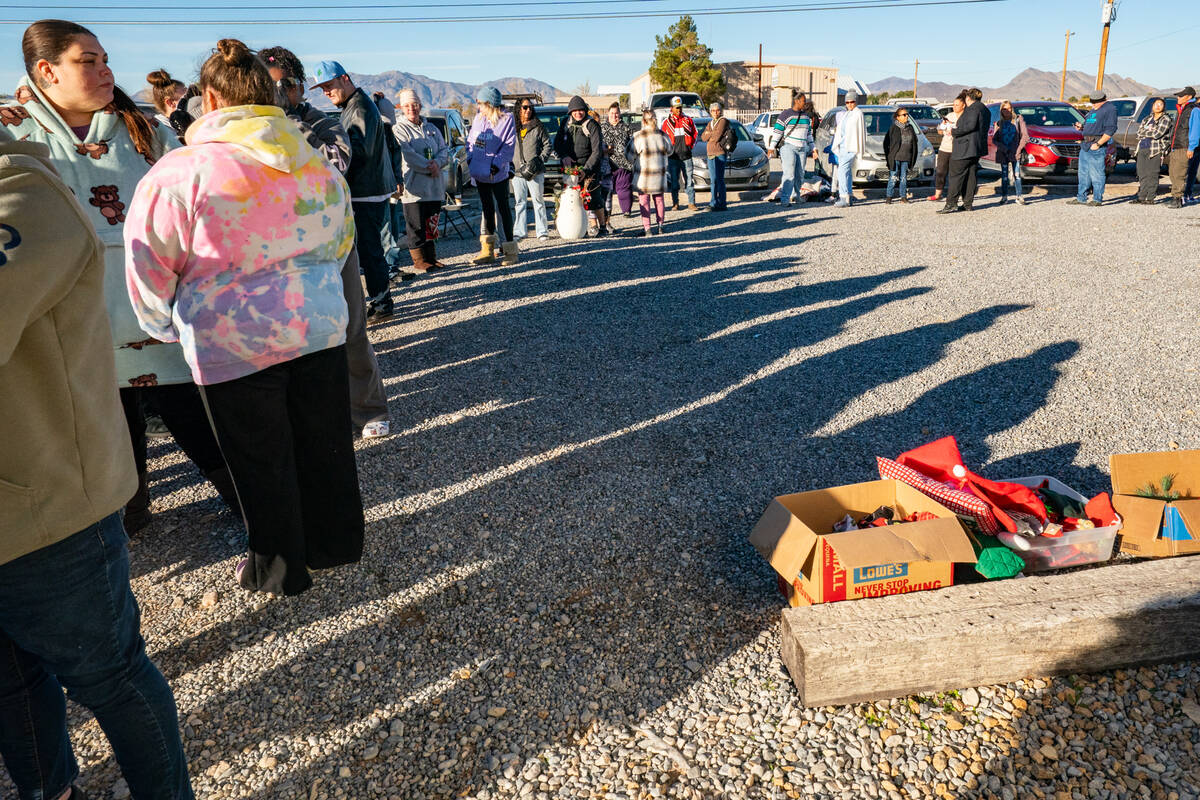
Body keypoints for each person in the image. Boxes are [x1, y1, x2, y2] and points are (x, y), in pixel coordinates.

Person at [125, 39, 364, 597]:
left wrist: (164, 325)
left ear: (209, 99)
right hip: (317, 326)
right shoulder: (313, 159)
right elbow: (341, 241)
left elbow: (148, 260)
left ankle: (280, 568)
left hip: (231, 341)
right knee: (322, 444)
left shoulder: (180, 172)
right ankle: (333, 543)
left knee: (260, 459)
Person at [0, 123, 196, 800]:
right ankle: (48, 789)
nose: (104, 72)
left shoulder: (24, 196)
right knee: (11, 682)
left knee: (109, 674)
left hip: (47, 506)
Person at [4, 19, 235, 533]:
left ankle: (254, 511)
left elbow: (195, 207)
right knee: (102, 431)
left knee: (196, 421)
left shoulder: (145, 129)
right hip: (68, 321)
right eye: (89, 61)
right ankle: (126, 518)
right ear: (47, 70)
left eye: (105, 59)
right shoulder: (9, 131)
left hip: (152, 313)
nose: (106, 70)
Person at [260, 44, 390, 439]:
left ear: (297, 87)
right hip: (276, 245)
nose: (277, 95)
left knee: (350, 327)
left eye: (282, 86)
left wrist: (288, 125)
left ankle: (368, 411)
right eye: (267, 87)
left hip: (331, 241)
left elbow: (335, 163)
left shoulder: (323, 122)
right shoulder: (251, 130)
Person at [310, 60, 398, 319]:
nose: (326, 92)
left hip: (365, 189)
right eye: (322, 89)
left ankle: (382, 304)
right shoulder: (354, 105)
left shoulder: (358, 108)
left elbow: (358, 152)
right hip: (369, 187)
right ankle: (381, 300)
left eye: (329, 85)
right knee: (370, 249)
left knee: (370, 250)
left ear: (345, 78)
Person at [392, 89, 450, 273]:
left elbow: (444, 150)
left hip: (434, 185)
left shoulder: (432, 128)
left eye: (415, 105)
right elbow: (407, 154)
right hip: (414, 186)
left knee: (431, 222)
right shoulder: (398, 129)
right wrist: (429, 166)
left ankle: (431, 257)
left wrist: (438, 164)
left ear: (420, 105)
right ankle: (419, 260)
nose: (412, 109)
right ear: (401, 107)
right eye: (407, 105)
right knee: (415, 224)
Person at [468, 86, 517, 265]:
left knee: (503, 209)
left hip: (497, 173)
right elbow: (471, 141)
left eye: (479, 102)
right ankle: (487, 250)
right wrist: (470, 158)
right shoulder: (478, 119)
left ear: (489, 103)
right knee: (487, 209)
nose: (477, 106)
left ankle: (510, 250)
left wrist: (496, 164)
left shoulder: (507, 119)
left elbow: (509, 145)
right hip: (479, 171)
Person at [553, 95, 604, 233]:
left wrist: (586, 170)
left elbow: (597, 151)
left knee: (594, 199)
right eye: (574, 111)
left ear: (585, 110)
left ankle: (603, 227)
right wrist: (564, 156)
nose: (578, 113)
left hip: (589, 168)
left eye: (581, 110)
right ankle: (581, 229)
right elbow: (557, 144)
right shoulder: (565, 123)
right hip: (570, 169)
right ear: (570, 112)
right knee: (573, 200)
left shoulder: (592, 125)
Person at [940, 88, 988, 213]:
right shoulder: (985, 109)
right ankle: (967, 203)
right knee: (971, 176)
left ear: (968, 98)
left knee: (955, 176)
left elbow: (970, 126)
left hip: (964, 148)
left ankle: (951, 203)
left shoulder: (972, 109)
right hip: (976, 148)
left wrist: (953, 131)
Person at [512, 99, 554, 240]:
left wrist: (539, 160)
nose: (528, 110)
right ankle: (519, 231)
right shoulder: (513, 127)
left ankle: (542, 232)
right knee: (520, 203)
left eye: (530, 107)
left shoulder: (538, 126)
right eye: (525, 107)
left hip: (535, 171)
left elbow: (548, 145)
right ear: (519, 109)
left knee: (538, 201)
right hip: (517, 172)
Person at [1068, 90, 1117, 206]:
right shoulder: (1093, 110)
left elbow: (1110, 129)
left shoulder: (1109, 109)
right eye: (1092, 102)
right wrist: (1081, 127)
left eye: (1096, 102)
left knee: (1097, 173)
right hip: (1085, 145)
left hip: (1096, 146)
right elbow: (1090, 124)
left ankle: (1097, 199)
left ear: (1103, 100)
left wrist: (1099, 144)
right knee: (1083, 173)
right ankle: (1081, 197)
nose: (1093, 104)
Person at [766, 90, 814, 205]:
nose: (805, 103)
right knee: (789, 174)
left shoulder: (806, 117)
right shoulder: (785, 114)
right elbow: (777, 132)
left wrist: (813, 148)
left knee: (800, 174)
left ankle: (797, 196)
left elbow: (809, 135)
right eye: (803, 101)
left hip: (802, 149)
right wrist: (771, 147)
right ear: (796, 101)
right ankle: (785, 199)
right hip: (789, 148)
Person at [628, 108, 671, 236]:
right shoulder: (663, 135)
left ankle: (647, 228)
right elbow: (670, 150)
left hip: (644, 176)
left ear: (643, 121)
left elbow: (629, 155)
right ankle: (661, 225)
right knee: (659, 200)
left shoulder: (638, 136)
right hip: (659, 174)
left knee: (644, 201)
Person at [660, 96, 698, 210]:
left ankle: (691, 203)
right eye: (677, 108)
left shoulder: (688, 120)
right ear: (672, 108)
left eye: (680, 107)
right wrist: (666, 151)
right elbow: (662, 139)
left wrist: (690, 147)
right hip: (673, 157)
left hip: (686, 156)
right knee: (674, 182)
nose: (679, 110)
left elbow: (695, 134)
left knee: (689, 181)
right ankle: (675, 203)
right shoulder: (666, 123)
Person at [1132, 98, 1172, 205]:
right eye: (1156, 104)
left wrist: (1147, 132)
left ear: (1164, 107)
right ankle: (1141, 196)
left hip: (1155, 149)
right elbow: (1138, 134)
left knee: (1152, 173)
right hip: (1142, 148)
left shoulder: (1166, 119)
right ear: (1152, 106)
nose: (1158, 106)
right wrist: (1149, 131)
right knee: (1142, 173)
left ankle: (1150, 197)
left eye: (1161, 104)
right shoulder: (1147, 119)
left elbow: (1157, 134)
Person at [601, 101, 635, 219]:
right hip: (607, 164)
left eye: (616, 113)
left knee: (623, 189)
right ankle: (606, 212)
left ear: (620, 114)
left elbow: (633, 143)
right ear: (608, 114)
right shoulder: (602, 128)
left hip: (624, 164)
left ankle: (626, 210)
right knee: (607, 190)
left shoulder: (626, 127)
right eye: (612, 113)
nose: (614, 116)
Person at [1166, 86, 1198, 210]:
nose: (1178, 98)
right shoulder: (1181, 109)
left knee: (1179, 173)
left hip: (1184, 146)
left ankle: (1178, 199)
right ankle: (1175, 196)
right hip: (1176, 146)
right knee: (1173, 173)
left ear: (1189, 97)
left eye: (1181, 96)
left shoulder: (1193, 110)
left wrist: (1191, 147)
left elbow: (1195, 130)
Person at [831, 91, 864, 208]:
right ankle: (848, 196)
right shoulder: (847, 114)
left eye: (852, 102)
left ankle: (843, 196)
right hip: (843, 146)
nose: (849, 104)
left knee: (842, 170)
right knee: (847, 172)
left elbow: (859, 132)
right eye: (847, 102)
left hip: (851, 146)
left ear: (856, 101)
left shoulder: (858, 114)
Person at [993, 100, 1028, 205]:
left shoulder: (1018, 120)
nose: (1007, 111)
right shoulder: (999, 123)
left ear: (1012, 108)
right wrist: (1002, 147)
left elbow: (1025, 136)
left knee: (1017, 175)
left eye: (1009, 108)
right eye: (1004, 109)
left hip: (1015, 152)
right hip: (1003, 153)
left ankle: (1019, 196)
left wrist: (1019, 150)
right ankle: (1004, 197)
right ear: (1001, 111)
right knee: (1004, 176)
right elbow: (995, 139)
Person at [930, 96, 962, 203]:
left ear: (963, 106)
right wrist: (942, 126)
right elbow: (939, 131)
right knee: (940, 172)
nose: (954, 107)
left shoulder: (964, 117)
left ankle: (954, 195)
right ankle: (938, 194)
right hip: (944, 148)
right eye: (953, 104)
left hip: (957, 149)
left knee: (954, 174)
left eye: (957, 105)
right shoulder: (949, 115)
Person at [700, 100, 731, 211]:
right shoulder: (710, 123)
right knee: (713, 179)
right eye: (713, 110)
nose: (715, 112)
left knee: (719, 179)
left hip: (719, 153)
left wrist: (710, 134)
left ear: (720, 111)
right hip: (710, 154)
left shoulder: (723, 121)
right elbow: (703, 137)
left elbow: (717, 136)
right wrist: (709, 134)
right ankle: (714, 201)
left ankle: (721, 203)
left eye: (717, 110)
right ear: (710, 112)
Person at [883, 107, 917, 204]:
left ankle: (903, 197)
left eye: (907, 114)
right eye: (904, 115)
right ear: (898, 117)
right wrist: (889, 156)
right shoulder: (893, 128)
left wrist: (913, 156)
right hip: (895, 158)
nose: (906, 116)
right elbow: (886, 143)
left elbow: (914, 143)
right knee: (893, 177)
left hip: (906, 157)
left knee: (903, 178)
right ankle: (889, 197)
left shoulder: (910, 128)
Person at [145, 69, 185, 133]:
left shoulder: (186, 122)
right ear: (170, 103)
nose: (190, 101)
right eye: (184, 99)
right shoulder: (157, 127)